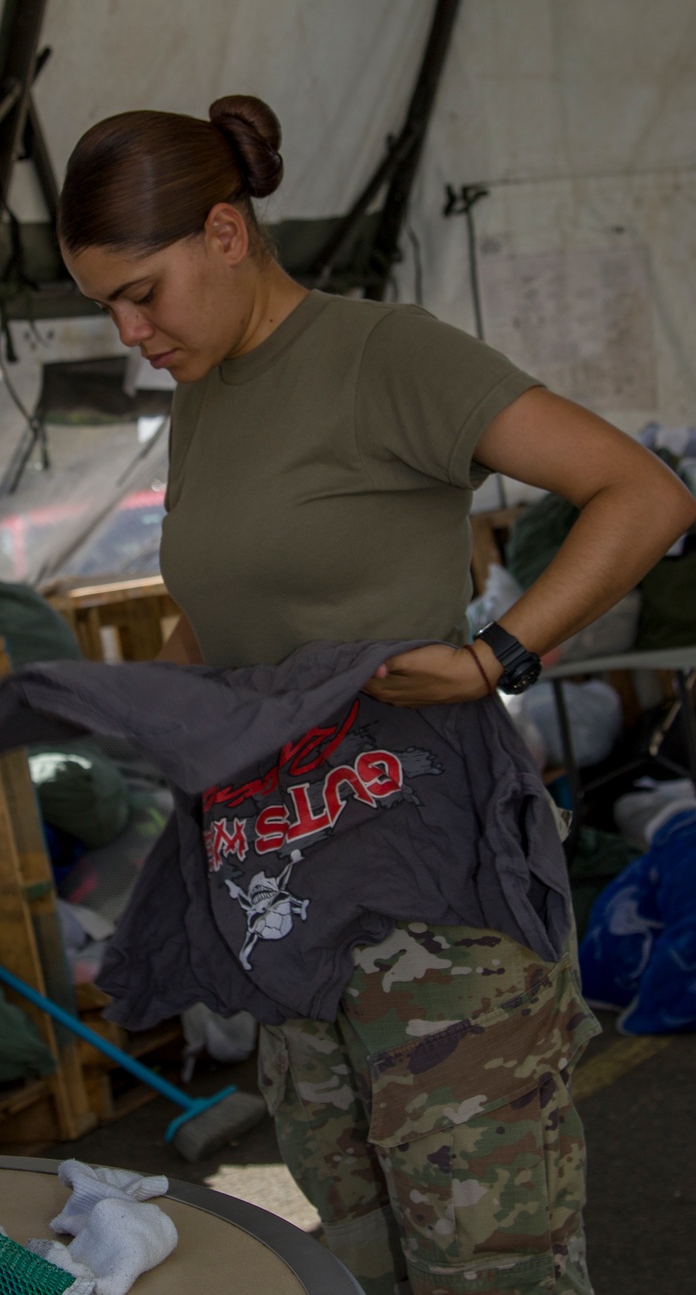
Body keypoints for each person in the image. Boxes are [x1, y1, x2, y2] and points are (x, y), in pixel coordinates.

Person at [56, 95, 696, 1295]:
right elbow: (236, 604)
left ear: (227, 233)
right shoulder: (199, 399)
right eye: (108, 307)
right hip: (287, 891)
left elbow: (643, 494)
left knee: (485, 1254)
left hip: (427, 895)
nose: (132, 328)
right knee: (352, 1243)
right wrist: (153, 699)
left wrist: (493, 655)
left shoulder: (383, 356)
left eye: (144, 290)